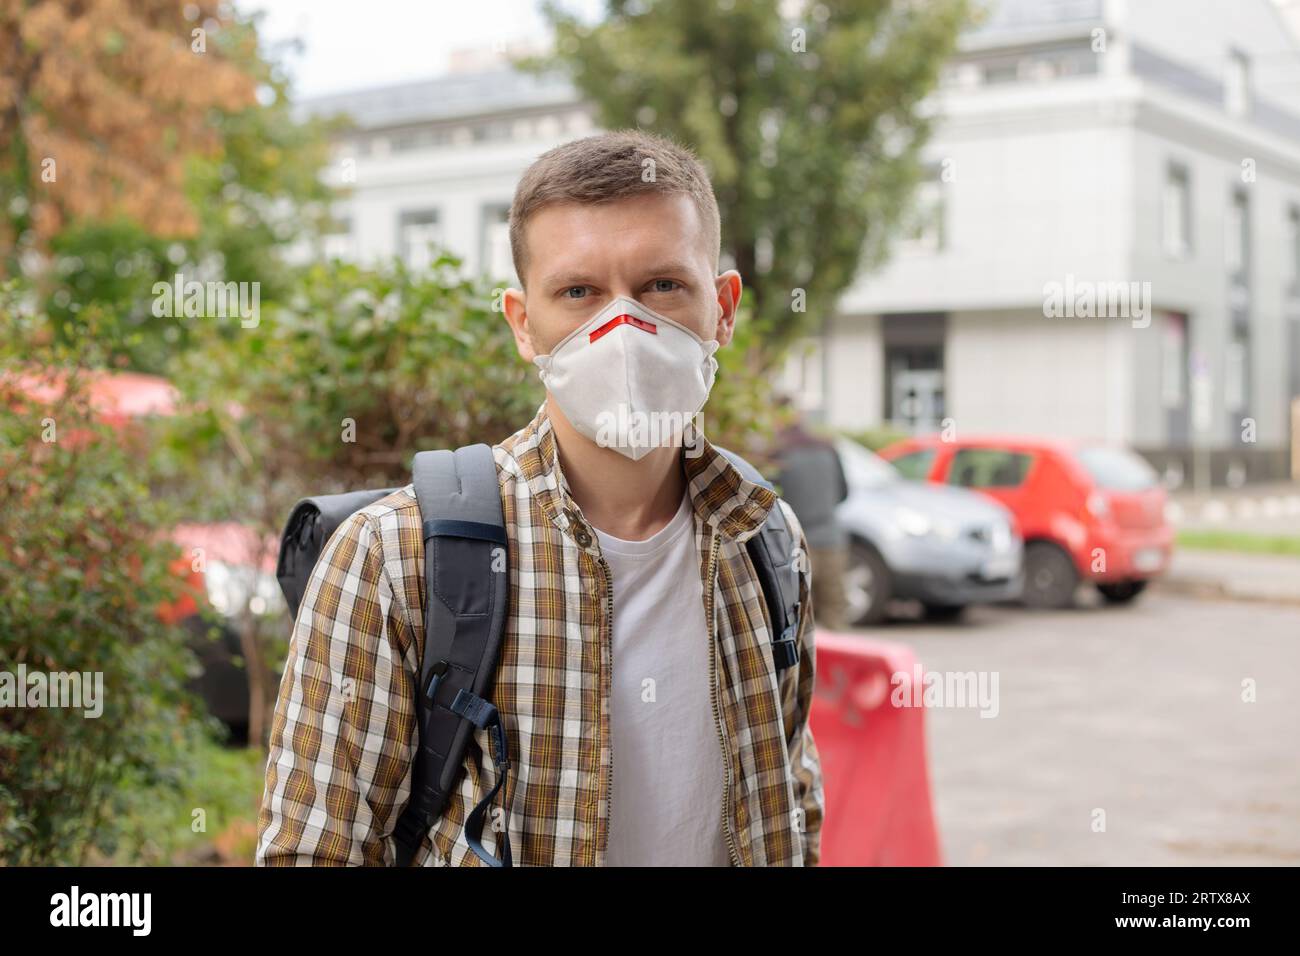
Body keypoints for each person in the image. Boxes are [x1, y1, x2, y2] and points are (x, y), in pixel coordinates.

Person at [256, 130, 824, 867]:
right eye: (579, 292)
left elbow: (791, 805)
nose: (623, 329)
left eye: (661, 285)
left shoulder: (767, 542)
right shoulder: (393, 558)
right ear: (524, 324)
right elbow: (314, 853)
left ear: (723, 307)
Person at [772, 401, 851, 630]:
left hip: (795, 545)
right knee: (835, 615)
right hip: (832, 542)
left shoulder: (778, 454)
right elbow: (843, 493)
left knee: (800, 621)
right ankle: (838, 665)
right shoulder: (828, 448)